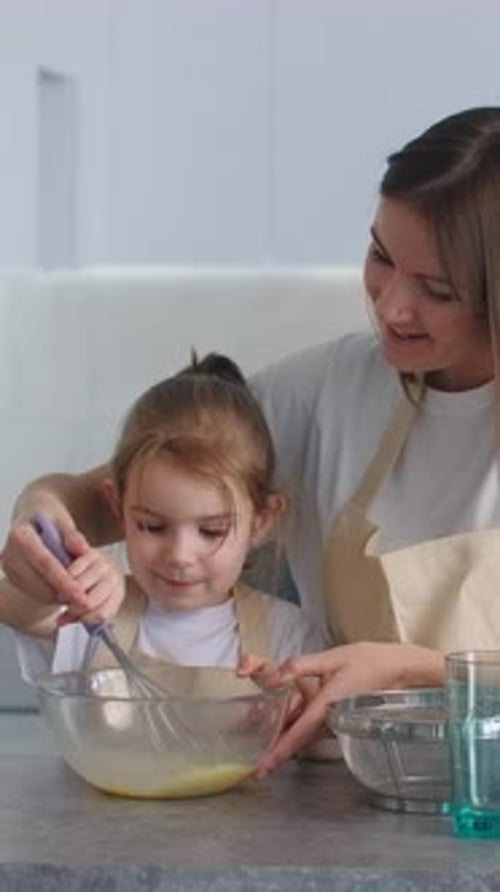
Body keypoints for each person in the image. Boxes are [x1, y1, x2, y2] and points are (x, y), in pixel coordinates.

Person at [2, 106, 500, 768]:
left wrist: (424, 670)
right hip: (354, 807)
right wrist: (41, 513)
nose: (390, 305)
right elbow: (109, 493)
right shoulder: (329, 389)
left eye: (435, 289)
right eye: (381, 256)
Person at [0, 353, 324, 692]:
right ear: (118, 507)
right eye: (152, 527)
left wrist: (287, 703)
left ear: (261, 521)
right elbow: (19, 610)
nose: (180, 555)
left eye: (211, 531)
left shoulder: (290, 635)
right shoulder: (96, 616)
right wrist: (57, 583)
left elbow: (321, 724)